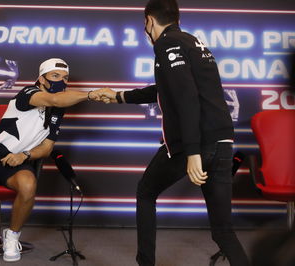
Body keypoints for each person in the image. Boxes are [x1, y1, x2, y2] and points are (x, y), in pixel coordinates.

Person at [97, 0, 250, 265]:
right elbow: (166, 88)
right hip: (222, 142)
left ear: (149, 21)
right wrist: (119, 96)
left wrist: (192, 152)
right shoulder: (192, 42)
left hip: (195, 144)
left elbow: (187, 98)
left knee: (146, 192)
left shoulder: (167, 44)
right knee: (223, 231)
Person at [0, 58, 101, 262]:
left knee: (28, 185)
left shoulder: (58, 111)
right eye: (55, 76)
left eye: (65, 78)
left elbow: (46, 148)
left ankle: (12, 236)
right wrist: (91, 94)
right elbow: (53, 100)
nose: (61, 82)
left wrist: (25, 155)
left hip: (18, 163)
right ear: (41, 78)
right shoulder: (28, 93)